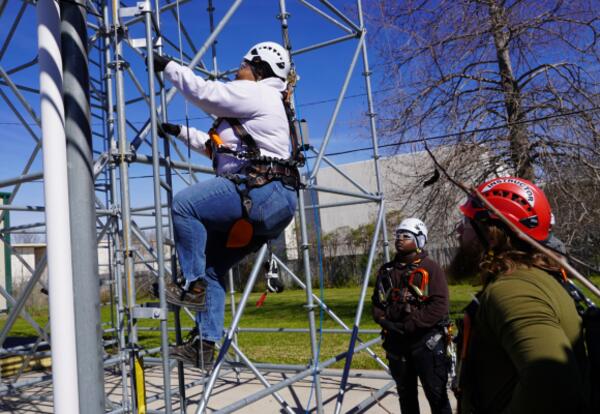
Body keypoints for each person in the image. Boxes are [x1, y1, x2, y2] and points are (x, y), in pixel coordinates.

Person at [149, 42, 300, 369]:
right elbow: (218, 150)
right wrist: (179, 132)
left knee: (185, 206)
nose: (237, 69)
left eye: (244, 63)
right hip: (273, 201)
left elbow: (206, 93)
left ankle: (191, 287)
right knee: (213, 270)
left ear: (259, 68)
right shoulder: (260, 107)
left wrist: (168, 67)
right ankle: (204, 344)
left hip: (261, 190)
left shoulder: (258, 92)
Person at [450, 177, 591, 414]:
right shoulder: (535, 276)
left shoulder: (512, 289)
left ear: (491, 236)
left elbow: (550, 382)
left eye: (466, 222)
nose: (459, 231)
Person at [372, 218, 452, 414]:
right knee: (406, 397)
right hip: (396, 345)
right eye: (397, 236)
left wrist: (410, 325)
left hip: (426, 344)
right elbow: (377, 303)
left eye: (406, 236)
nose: (399, 239)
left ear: (419, 240)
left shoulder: (431, 268)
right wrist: (384, 321)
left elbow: (439, 305)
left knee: (437, 396)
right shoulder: (387, 270)